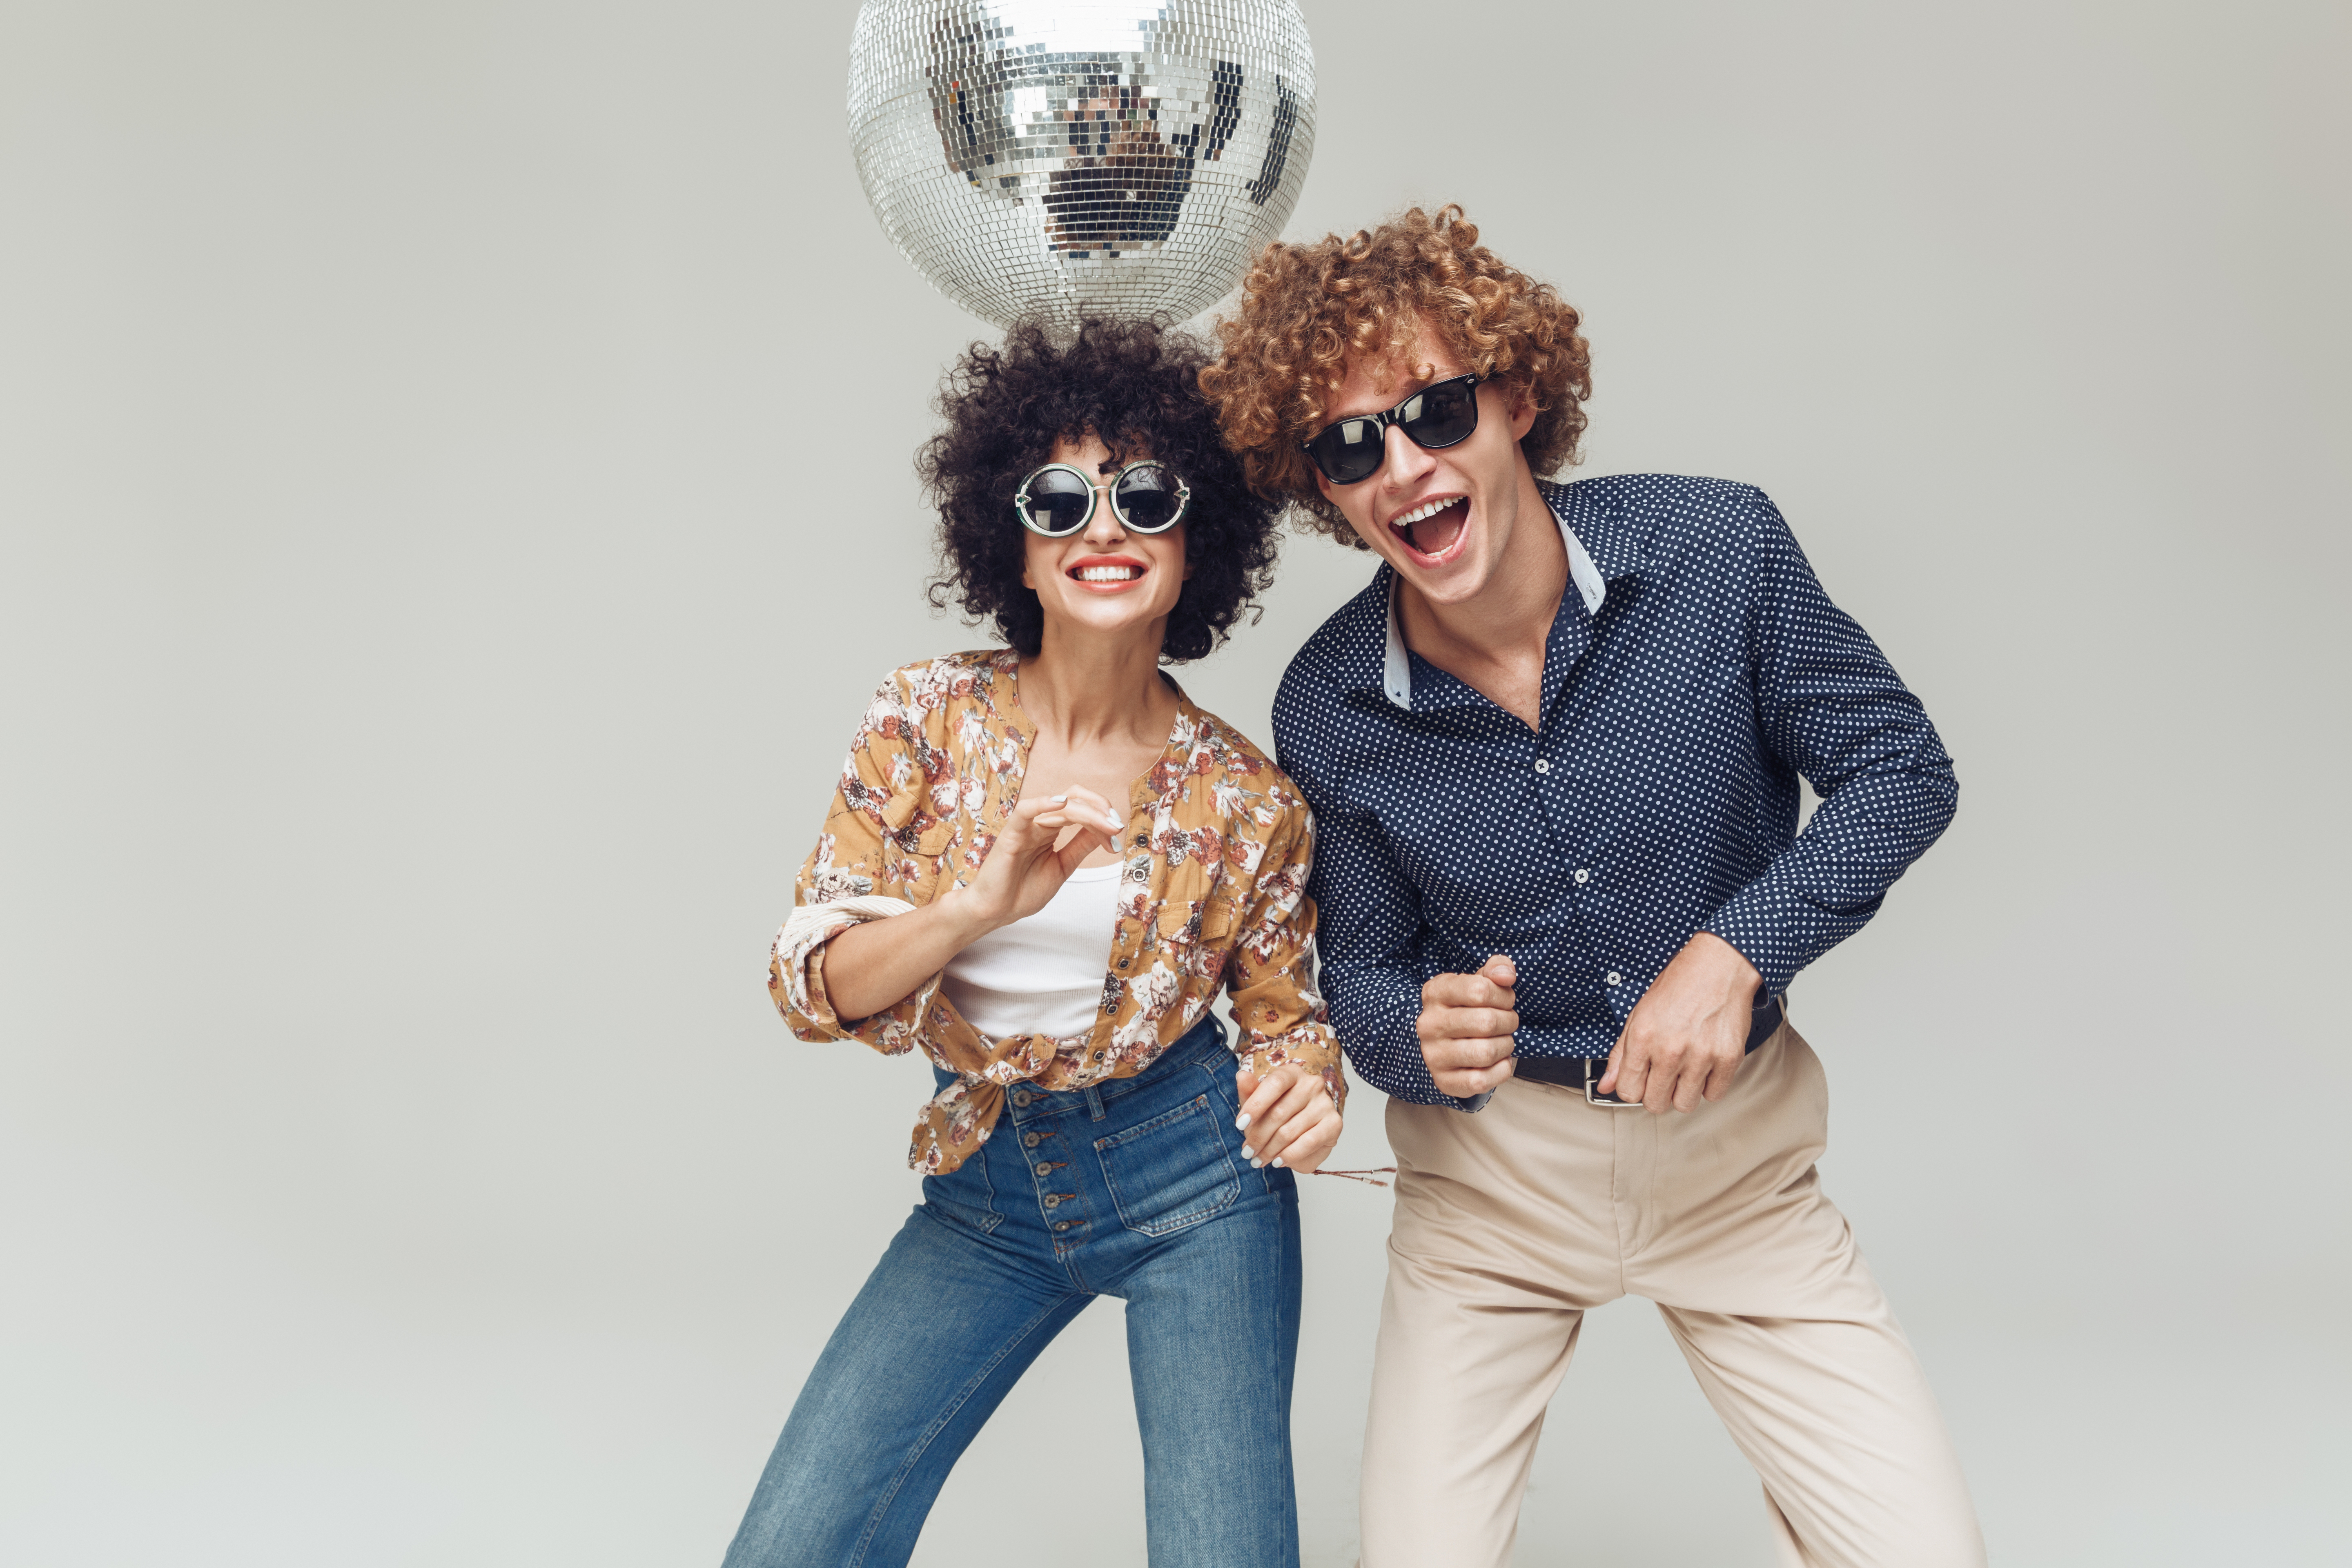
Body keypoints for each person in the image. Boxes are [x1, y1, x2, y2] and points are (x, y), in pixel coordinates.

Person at [1199, 206, 1985, 1567]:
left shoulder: (1721, 553)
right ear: (1317, 486)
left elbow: (1901, 773)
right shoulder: (1327, 703)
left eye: (1434, 411)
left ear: (1513, 398)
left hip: (1738, 1173)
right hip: (1491, 1201)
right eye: (1348, 445)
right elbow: (1367, 984)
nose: (1401, 467)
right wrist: (1419, 1038)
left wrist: (1734, 950)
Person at [722, 316, 1346, 1568]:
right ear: (1012, 536)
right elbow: (810, 990)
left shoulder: (1252, 799)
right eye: (1060, 499)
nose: (1102, 529)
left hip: (1201, 1192)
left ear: (1197, 536)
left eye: (1145, 497)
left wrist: (1305, 1094)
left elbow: (1290, 1032)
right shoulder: (925, 718)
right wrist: (974, 906)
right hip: (993, 1186)